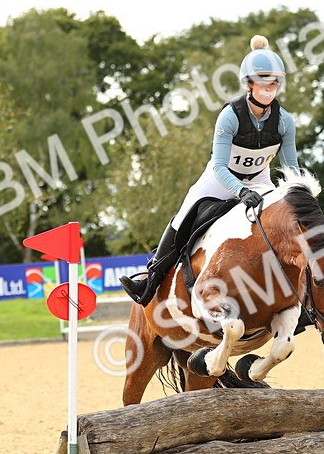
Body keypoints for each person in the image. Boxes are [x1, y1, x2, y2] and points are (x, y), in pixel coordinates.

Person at [119, 35, 300, 305]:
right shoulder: (230, 116)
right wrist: (240, 191)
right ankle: (150, 278)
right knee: (183, 216)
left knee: (284, 222)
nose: (268, 89)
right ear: (248, 84)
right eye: (262, 83)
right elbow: (218, 165)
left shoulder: (284, 121)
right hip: (221, 179)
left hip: (260, 180)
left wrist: (297, 195)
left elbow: (290, 168)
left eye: (273, 83)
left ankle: (296, 294)